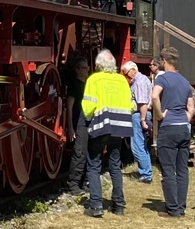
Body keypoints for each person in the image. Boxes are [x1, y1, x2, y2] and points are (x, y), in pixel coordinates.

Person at [82, 49, 135, 217]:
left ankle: (96, 205)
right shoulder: (121, 80)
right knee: (115, 163)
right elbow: (130, 105)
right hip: (119, 127)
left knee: (94, 164)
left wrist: (88, 119)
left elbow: (88, 106)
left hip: (101, 125)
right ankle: (118, 204)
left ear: (98, 65)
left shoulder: (94, 79)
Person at [152, 48, 195, 218]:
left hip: (168, 127)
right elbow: (191, 107)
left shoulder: (161, 78)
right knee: (182, 169)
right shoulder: (184, 81)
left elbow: (155, 97)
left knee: (168, 169)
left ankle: (173, 208)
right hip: (183, 127)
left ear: (163, 60)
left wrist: (159, 114)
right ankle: (181, 206)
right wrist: (187, 117)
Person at [121, 61, 155, 183]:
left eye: (126, 73)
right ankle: (146, 172)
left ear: (132, 70)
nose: (127, 77)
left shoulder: (139, 82)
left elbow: (142, 103)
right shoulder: (144, 80)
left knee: (137, 146)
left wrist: (142, 119)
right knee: (141, 145)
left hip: (139, 115)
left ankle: (146, 175)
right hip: (142, 114)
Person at [65, 56, 92, 196]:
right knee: (79, 153)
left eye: (87, 67)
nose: (88, 70)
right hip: (78, 123)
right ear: (77, 70)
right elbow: (69, 106)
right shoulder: (75, 85)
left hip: (87, 122)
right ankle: (73, 185)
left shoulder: (87, 85)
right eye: (85, 68)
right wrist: (70, 127)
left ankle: (84, 182)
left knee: (87, 153)